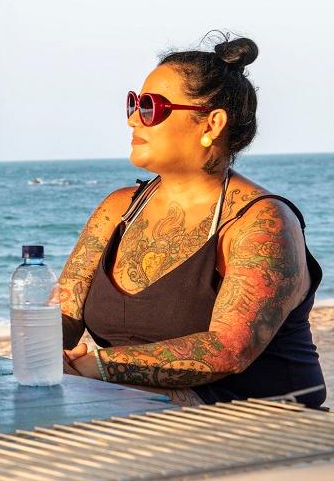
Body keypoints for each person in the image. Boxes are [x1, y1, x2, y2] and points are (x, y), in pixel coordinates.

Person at [59, 35, 325, 407]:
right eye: (134, 102)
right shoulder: (118, 208)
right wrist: (47, 355)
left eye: (151, 107)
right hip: (132, 404)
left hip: (255, 419)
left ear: (212, 124)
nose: (133, 118)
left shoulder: (262, 222)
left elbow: (228, 349)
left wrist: (98, 366)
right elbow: (63, 314)